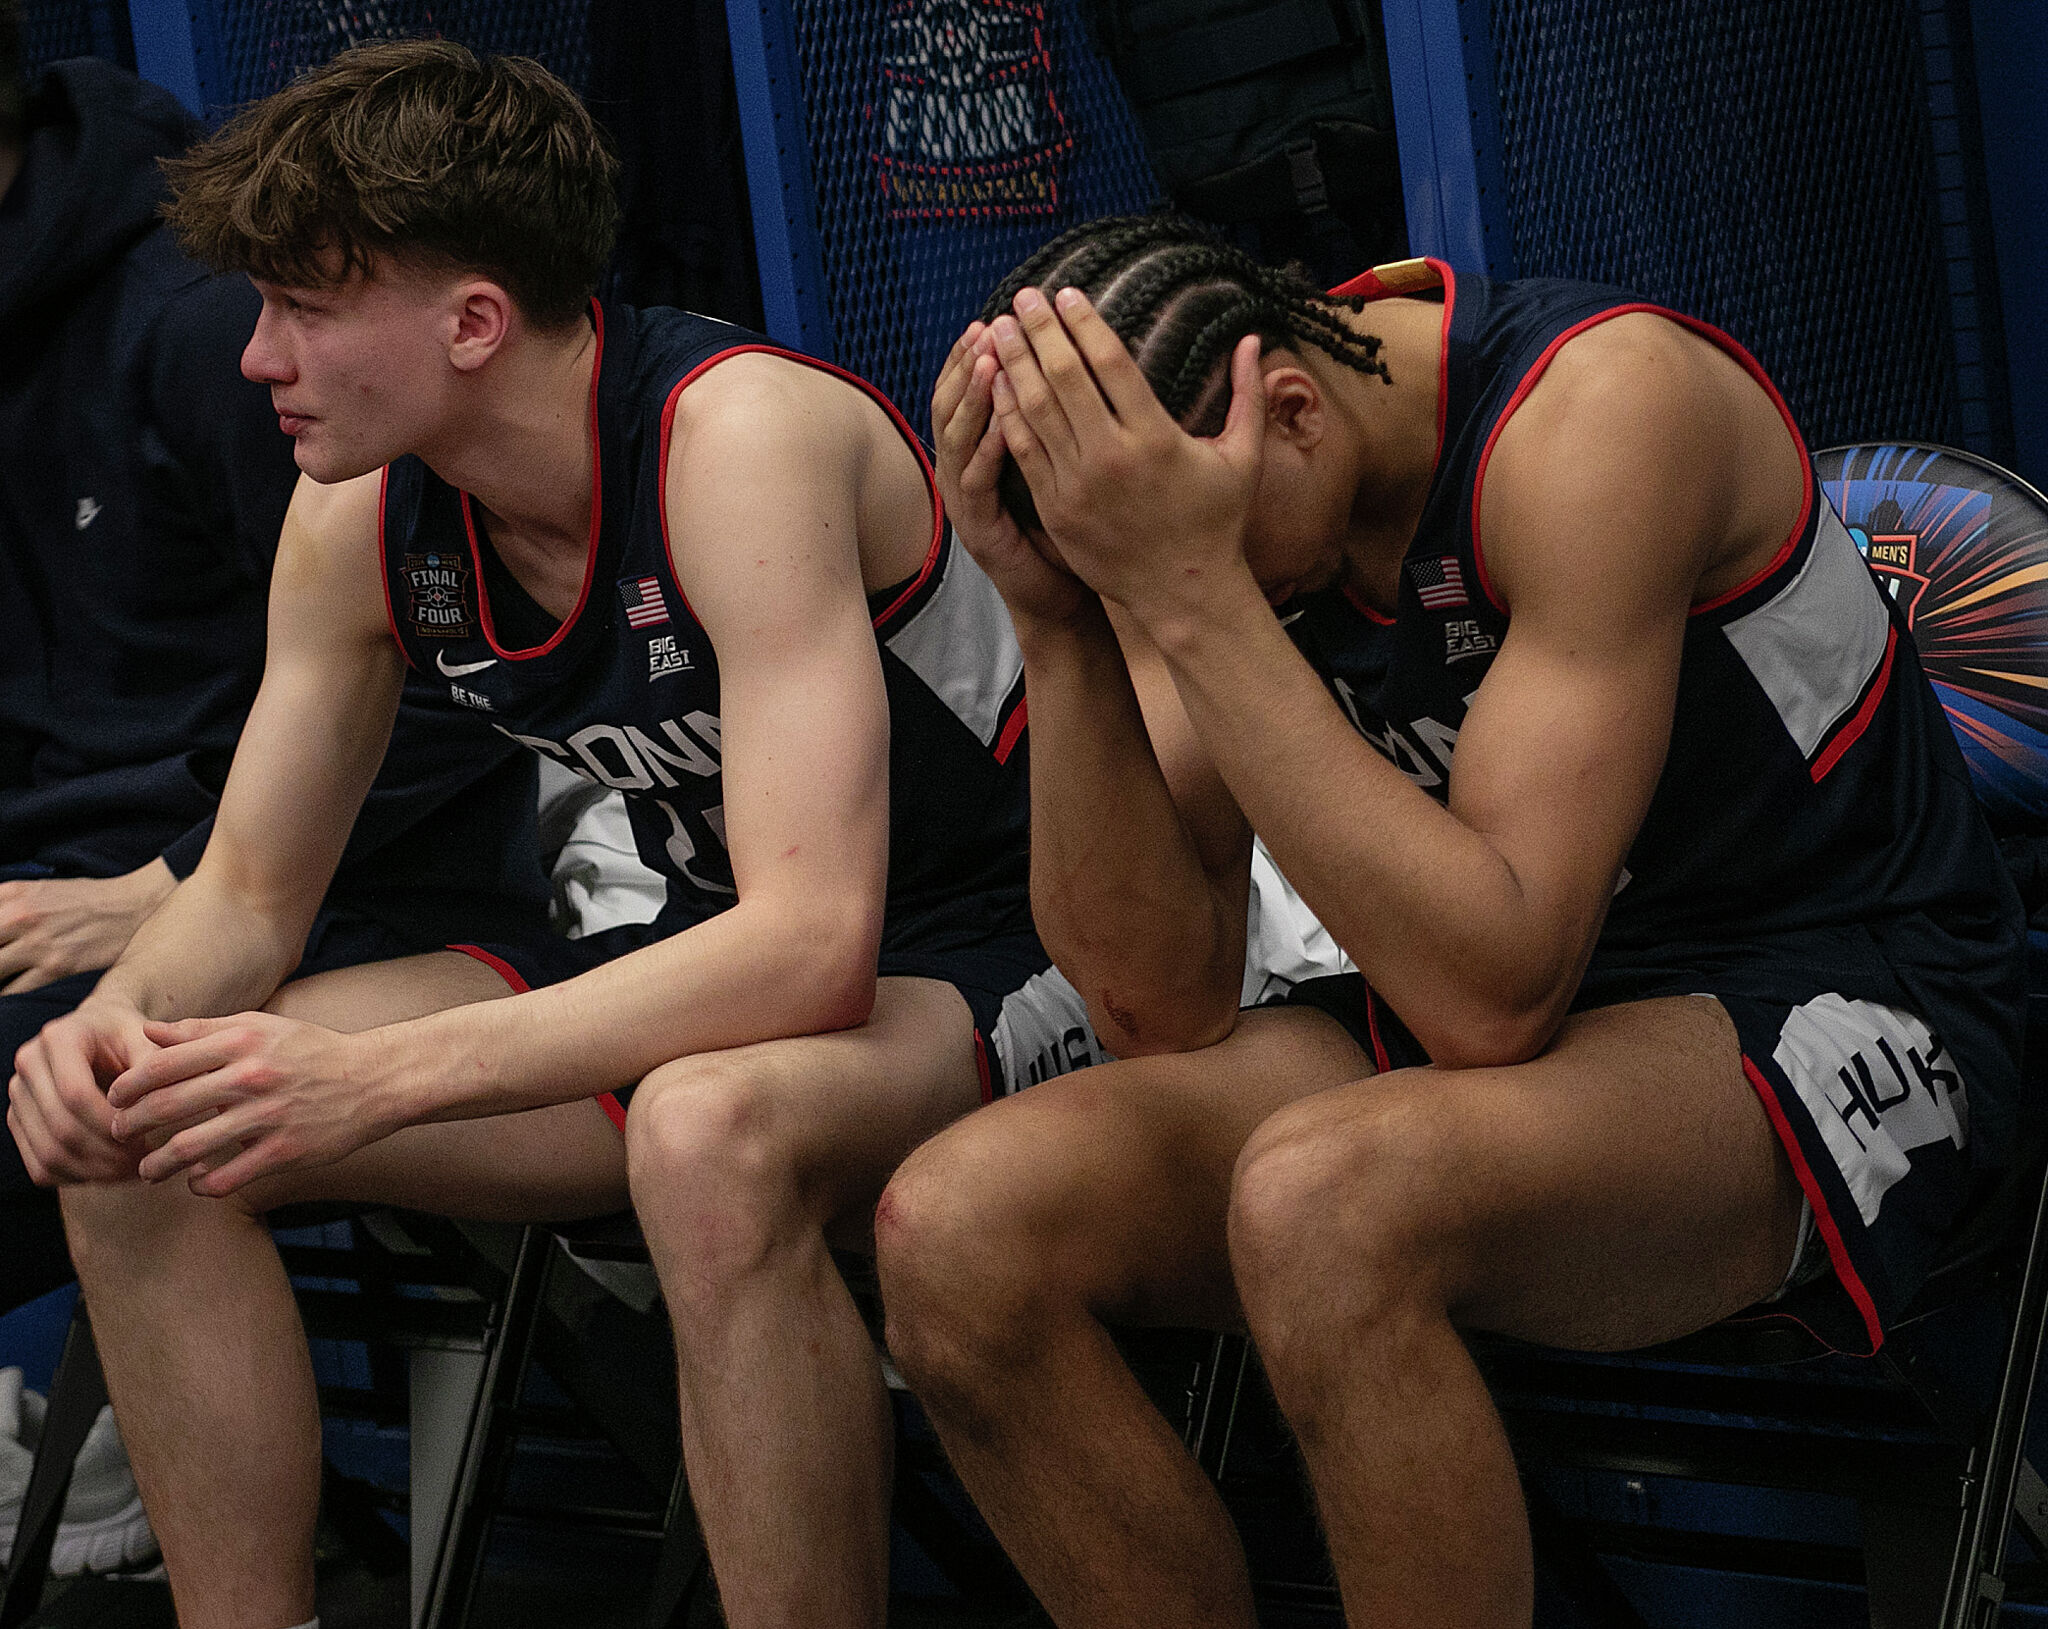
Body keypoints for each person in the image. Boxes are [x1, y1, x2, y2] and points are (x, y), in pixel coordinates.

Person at [8, 40, 1100, 1629]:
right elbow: (246, 889)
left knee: (706, 1133)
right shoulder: (359, 511)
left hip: (990, 948)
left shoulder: (735, 441)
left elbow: (814, 947)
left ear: (471, 322)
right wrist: (110, 1036)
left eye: (304, 309)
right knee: (152, 1125)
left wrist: (369, 1074)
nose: (256, 359)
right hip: (666, 955)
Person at [873, 216, 2025, 1629]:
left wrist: (1196, 592)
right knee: (954, 1229)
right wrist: (1057, 623)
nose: (1167, 598)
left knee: (1323, 1202)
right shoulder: (1213, 504)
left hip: (1836, 996)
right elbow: (1154, 1002)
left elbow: (1498, 994)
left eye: (1172, 565)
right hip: (1492, 1022)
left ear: (1289, 409)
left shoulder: (1600, 411)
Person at [0, 16, 548, 1322]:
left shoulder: (212, 335)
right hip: (91, 899)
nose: (274, 342)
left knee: (112, 1097)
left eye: (297, 308)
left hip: (334, 895)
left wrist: (156, 890)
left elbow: (453, 689)